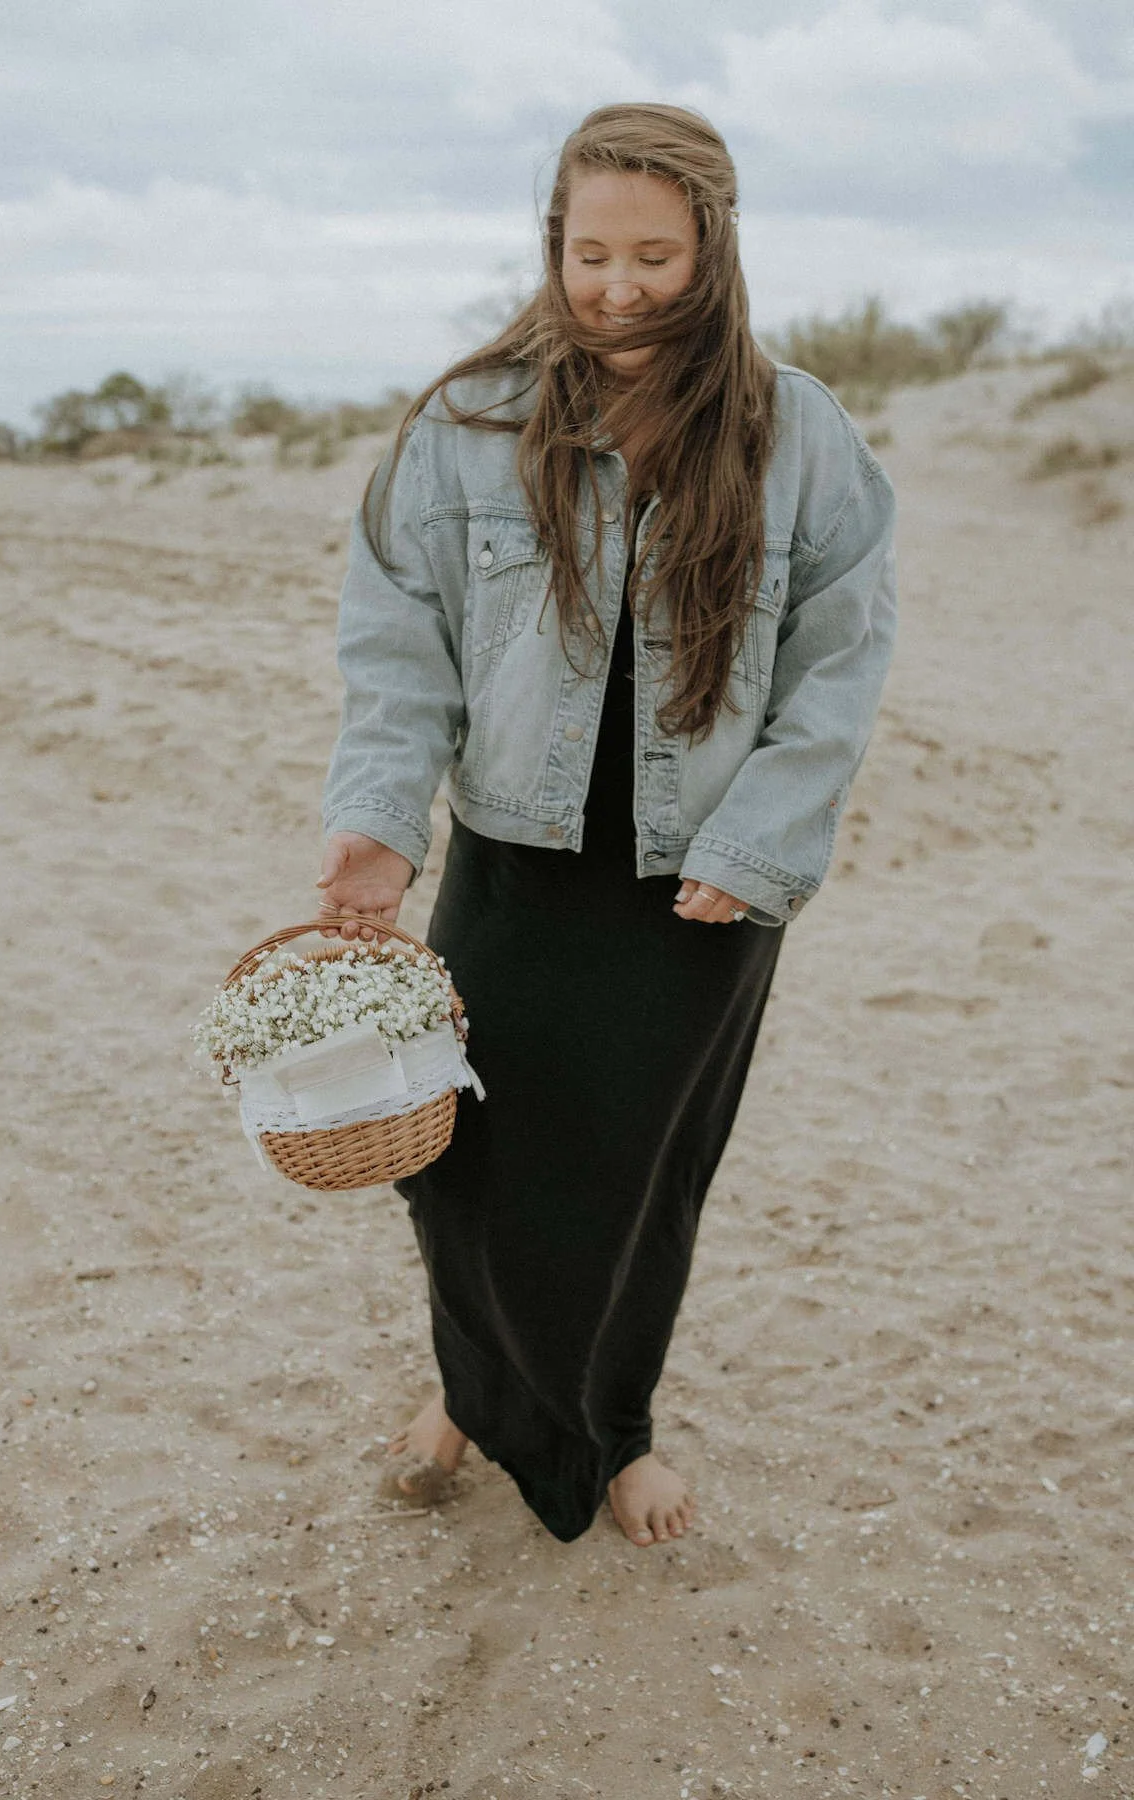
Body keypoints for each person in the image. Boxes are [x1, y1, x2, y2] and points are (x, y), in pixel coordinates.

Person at [315, 103, 896, 1548]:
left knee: (637, 1180)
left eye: (654, 254)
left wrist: (756, 844)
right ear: (552, 243)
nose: (618, 285)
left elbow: (841, 661)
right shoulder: (465, 421)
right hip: (512, 862)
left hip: (694, 879)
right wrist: (381, 825)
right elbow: (399, 645)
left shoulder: (799, 428)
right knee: (461, 1163)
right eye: (591, 252)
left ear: (714, 247)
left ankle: (616, 1434)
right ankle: (475, 1390)